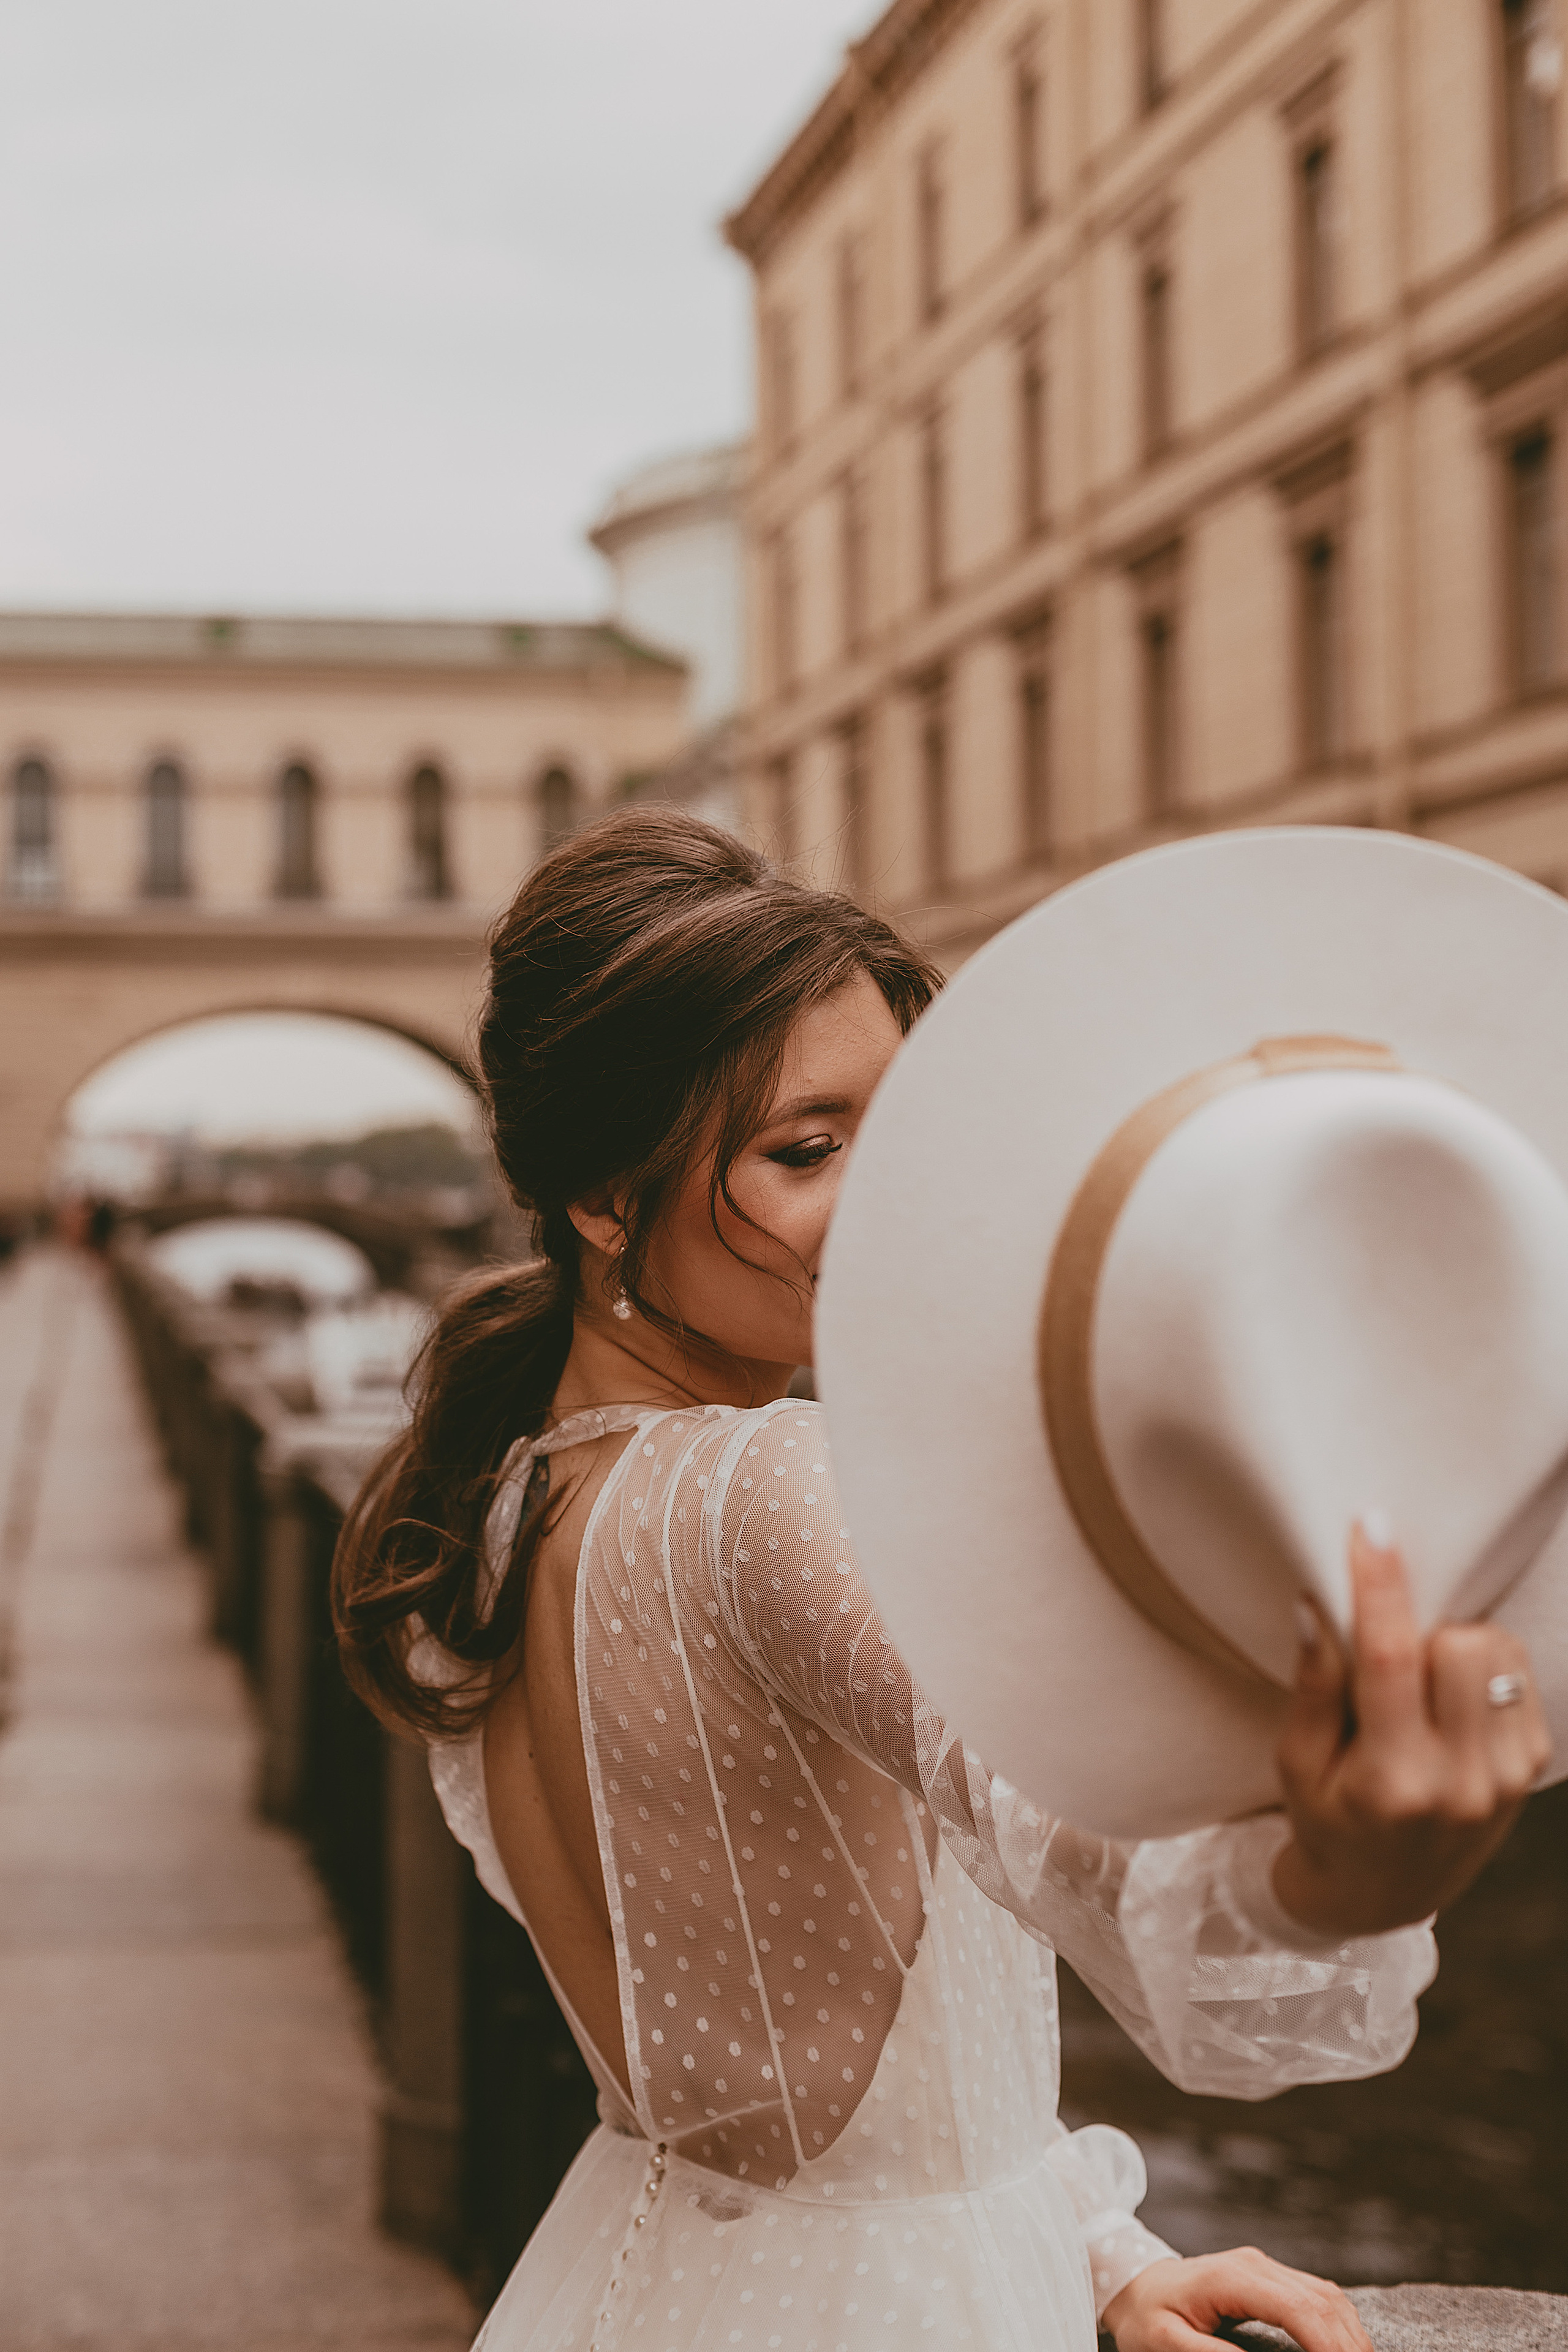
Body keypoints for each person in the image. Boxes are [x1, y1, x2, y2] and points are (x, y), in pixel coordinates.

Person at [334, 809, 1550, 2352]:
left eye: (901, 1135)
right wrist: (1343, 1876)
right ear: (598, 1197)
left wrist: (1092, 2251)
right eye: (806, 1148)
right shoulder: (760, 1489)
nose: (888, 1198)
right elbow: (1070, 1836)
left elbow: (778, 2061)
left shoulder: (514, 1500)